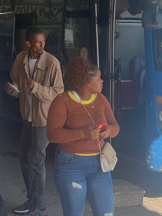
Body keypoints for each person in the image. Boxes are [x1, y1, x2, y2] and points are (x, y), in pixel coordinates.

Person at [47, 57, 119, 216]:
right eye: (98, 78)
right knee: (74, 213)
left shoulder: (101, 99)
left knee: (106, 213)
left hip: (100, 165)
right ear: (86, 82)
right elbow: (52, 134)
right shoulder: (62, 101)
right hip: (71, 164)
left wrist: (107, 132)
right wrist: (83, 133)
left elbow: (115, 126)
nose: (102, 82)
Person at [5, 27, 64, 215]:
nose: (42, 45)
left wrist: (36, 87)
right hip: (27, 117)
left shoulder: (52, 62)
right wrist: (11, 89)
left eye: (43, 42)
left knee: (37, 160)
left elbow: (58, 93)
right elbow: (16, 82)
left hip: (44, 119)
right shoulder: (21, 59)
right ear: (28, 43)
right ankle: (31, 199)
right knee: (24, 157)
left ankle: (39, 205)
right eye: (38, 42)